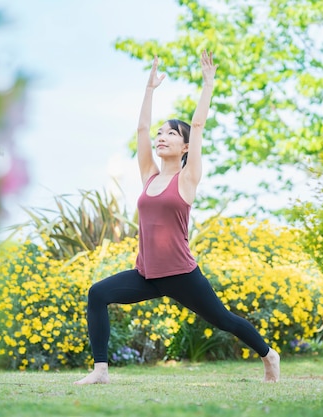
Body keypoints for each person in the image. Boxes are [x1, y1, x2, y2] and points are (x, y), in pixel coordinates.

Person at [74, 50, 280, 385]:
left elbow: (197, 124)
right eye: (161, 133)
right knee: (98, 293)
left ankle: (269, 355)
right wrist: (150, 89)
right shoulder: (149, 176)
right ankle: (100, 371)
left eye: (170, 133)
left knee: (225, 320)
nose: (161, 137)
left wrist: (208, 85)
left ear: (185, 147)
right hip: (148, 274)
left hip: (183, 274)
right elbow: (141, 128)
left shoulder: (187, 179)